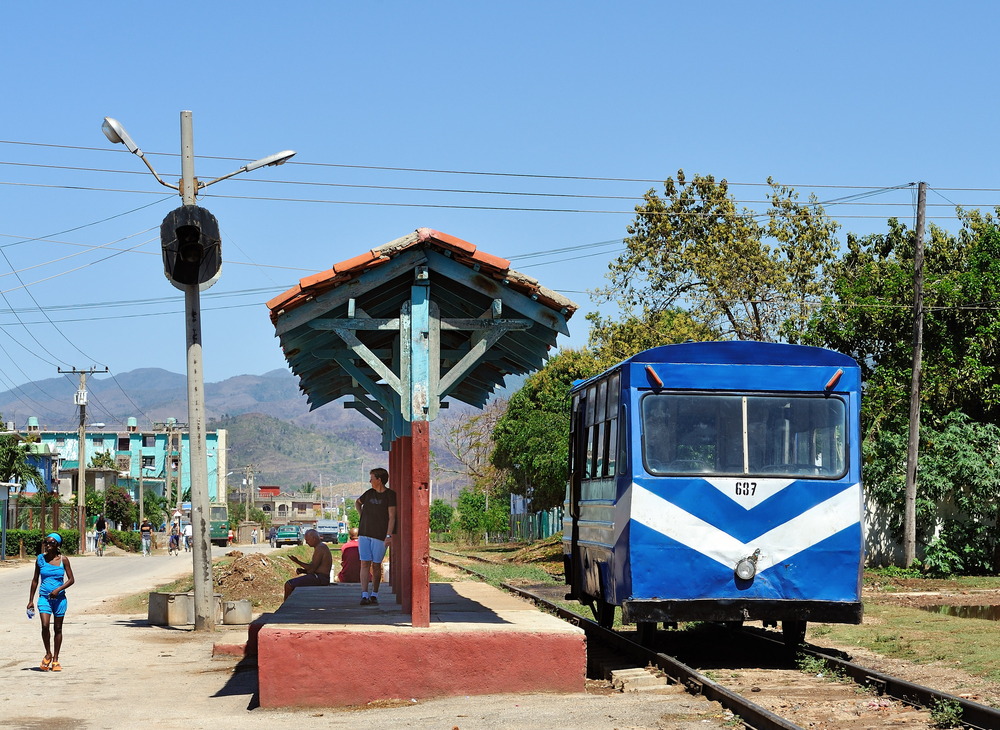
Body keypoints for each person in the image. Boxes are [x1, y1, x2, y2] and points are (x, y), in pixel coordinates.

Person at [26, 532, 75, 672]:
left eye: (51, 543)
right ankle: (48, 653)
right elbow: (35, 580)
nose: (47, 545)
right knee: (45, 625)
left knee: (58, 629)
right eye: (45, 543)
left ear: (57, 545)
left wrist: (58, 590)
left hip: (59, 600)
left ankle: (55, 660)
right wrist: (30, 600)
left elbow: (71, 580)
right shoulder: (40, 559)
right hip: (44, 598)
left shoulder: (63, 560)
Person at [355, 468, 396, 605]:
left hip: (380, 535)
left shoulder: (390, 495)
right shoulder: (369, 493)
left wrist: (389, 535)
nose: (370, 481)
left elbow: (392, 517)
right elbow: (357, 502)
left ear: (379, 480)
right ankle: (364, 594)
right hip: (364, 533)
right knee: (364, 563)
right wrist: (362, 516)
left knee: (376, 565)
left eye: (371, 478)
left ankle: (374, 593)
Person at [283, 529, 332, 601]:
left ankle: (285, 608)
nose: (306, 542)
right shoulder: (320, 547)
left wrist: (297, 561)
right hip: (320, 577)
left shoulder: (320, 548)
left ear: (314, 539)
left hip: (320, 578)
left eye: (308, 540)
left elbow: (312, 568)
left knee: (289, 584)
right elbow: (314, 568)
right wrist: (304, 571)